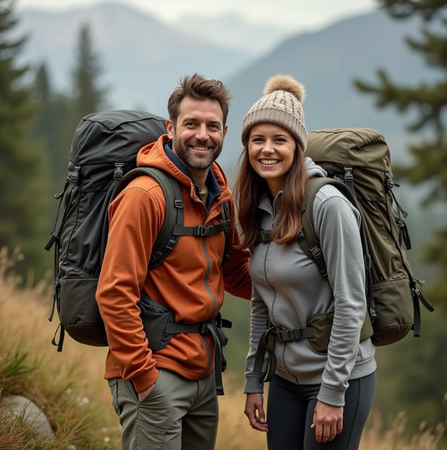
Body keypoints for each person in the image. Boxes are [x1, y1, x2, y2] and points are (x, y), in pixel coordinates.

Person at [96, 73, 251, 450]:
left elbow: (234, 272)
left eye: (212, 126)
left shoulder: (218, 193)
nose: (203, 135)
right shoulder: (145, 196)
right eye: (192, 124)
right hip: (155, 371)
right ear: (171, 128)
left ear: (225, 131)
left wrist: (297, 283)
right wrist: (144, 376)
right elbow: (114, 294)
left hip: (203, 373)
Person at [234, 74, 377, 450]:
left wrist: (332, 392)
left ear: (298, 147)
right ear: (246, 145)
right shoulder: (259, 209)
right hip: (285, 379)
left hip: (337, 378)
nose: (267, 149)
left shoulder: (327, 206)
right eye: (257, 139)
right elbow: (261, 300)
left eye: (280, 139)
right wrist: (253, 380)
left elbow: (351, 302)